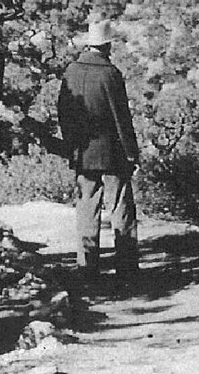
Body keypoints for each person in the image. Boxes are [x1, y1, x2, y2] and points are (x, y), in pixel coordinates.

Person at [56, 20, 140, 276]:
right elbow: (121, 118)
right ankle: (126, 268)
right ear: (107, 45)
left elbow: (63, 111)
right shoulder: (110, 74)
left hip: (83, 151)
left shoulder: (71, 71)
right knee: (120, 208)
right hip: (112, 151)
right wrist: (131, 152)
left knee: (86, 208)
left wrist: (71, 145)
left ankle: (87, 266)